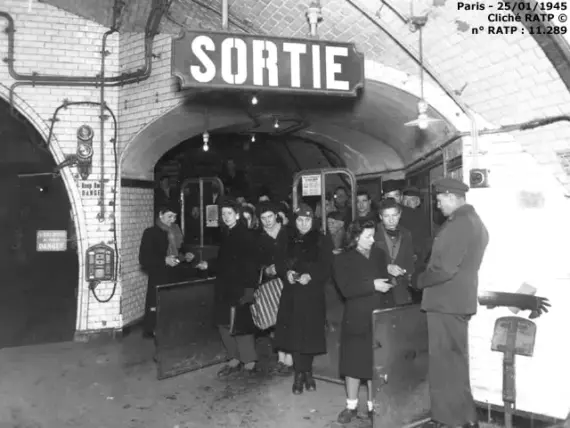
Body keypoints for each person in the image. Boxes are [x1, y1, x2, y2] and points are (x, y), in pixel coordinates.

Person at [414, 178, 489, 428]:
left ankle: (449, 421)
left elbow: (445, 269)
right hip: (456, 301)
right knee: (455, 363)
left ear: (451, 197)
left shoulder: (459, 225)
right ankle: (465, 418)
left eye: (439, 200)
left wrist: (419, 280)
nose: (438, 205)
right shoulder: (474, 222)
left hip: (445, 302)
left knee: (444, 365)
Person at [332, 219, 392, 423]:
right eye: (368, 236)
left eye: (373, 235)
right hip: (356, 317)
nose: (372, 240)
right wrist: (372, 285)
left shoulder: (379, 254)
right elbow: (346, 289)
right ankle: (351, 406)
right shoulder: (342, 259)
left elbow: (384, 280)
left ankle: (373, 407)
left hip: (376, 315)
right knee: (353, 364)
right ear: (356, 237)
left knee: (374, 364)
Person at [195, 199, 259, 377]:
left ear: (237, 215)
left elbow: (251, 265)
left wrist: (249, 290)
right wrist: (209, 264)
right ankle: (234, 358)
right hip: (224, 286)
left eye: (229, 213)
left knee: (241, 325)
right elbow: (224, 261)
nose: (225, 217)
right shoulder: (227, 233)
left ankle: (249, 362)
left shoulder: (245, 235)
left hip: (239, 287)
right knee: (224, 323)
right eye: (223, 214)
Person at [274, 203, 328, 394]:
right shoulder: (286, 238)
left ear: (313, 221)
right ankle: (299, 374)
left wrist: (311, 275)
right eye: (299, 220)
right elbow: (279, 262)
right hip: (292, 294)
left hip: (312, 294)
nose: (303, 224)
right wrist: (286, 272)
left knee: (310, 335)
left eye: (307, 220)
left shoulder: (321, 239)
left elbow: (327, 265)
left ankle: (308, 371)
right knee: (294, 335)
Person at [138, 204, 195, 339]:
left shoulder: (176, 231)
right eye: (169, 216)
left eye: (175, 217)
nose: (173, 220)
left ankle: (174, 331)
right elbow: (144, 259)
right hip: (159, 276)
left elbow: (182, 249)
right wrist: (164, 260)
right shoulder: (150, 233)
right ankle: (153, 331)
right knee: (157, 306)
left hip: (176, 274)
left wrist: (187, 254)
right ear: (160, 215)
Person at [256, 201, 292, 375]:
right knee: (276, 321)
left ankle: (290, 358)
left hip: (289, 280)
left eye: (270, 216)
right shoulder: (259, 238)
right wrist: (265, 269)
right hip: (271, 284)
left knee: (289, 319)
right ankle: (281, 358)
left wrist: (279, 267)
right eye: (263, 218)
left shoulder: (288, 233)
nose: (267, 221)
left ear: (277, 215)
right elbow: (256, 261)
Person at [374, 198, 415, 305]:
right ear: (380, 216)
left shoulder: (406, 234)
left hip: (400, 288)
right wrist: (386, 267)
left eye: (394, 215)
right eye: (386, 216)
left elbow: (409, 261)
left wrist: (407, 273)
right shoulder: (372, 234)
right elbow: (365, 261)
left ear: (400, 214)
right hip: (378, 288)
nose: (391, 220)